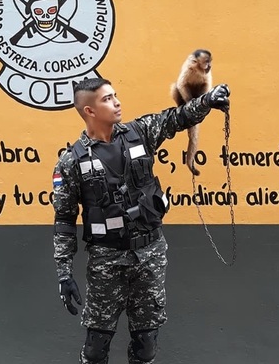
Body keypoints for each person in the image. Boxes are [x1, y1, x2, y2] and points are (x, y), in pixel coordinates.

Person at [52, 77, 230, 364]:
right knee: (96, 347)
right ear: (89, 111)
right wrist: (64, 274)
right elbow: (64, 221)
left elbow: (177, 118)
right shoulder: (72, 162)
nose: (117, 102)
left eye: (115, 95)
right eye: (107, 99)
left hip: (150, 256)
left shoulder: (140, 133)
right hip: (106, 262)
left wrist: (207, 101)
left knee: (146, 344)